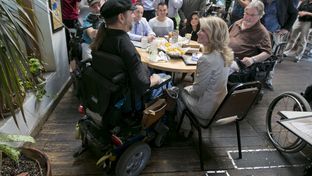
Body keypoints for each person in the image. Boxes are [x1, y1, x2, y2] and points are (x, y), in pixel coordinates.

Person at [90, 0, 161, 107]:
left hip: (108, 94)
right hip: (127, 99)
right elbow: (142, 84)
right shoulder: (124, 44)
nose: (133, 16)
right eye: (130, 13)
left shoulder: (102, 38)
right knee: (166, 79)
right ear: (121, 18)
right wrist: (156, 79)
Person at [176, 16, 234, 137]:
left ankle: (184, 130)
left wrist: (185, 88)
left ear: (213, 35)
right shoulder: (226, 54)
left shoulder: (206, 59)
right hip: (220, 106)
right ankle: (186, 127)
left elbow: (197, 91)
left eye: (203, 30)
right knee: (185, 86)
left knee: (178, 90)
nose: (198, 32)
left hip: (206, 110)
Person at [228, 0, 272, 78]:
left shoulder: (262, 32)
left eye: (252, 15)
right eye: (246, 14)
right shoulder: (237, 23)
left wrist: (252, 59)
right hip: (225, 55)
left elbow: (267, 52)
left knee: (216, 71)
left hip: (238, 63)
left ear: (260, 16)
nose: (248, 17)